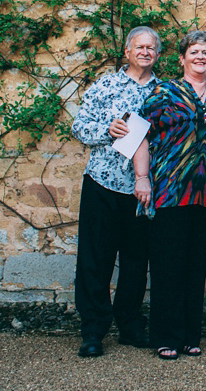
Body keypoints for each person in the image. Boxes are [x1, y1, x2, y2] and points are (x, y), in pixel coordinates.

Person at [132, 30, 206, 360]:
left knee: (195, 267)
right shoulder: (165, 92)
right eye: (194, 52)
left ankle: (189, 335)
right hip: (171, 192)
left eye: (205, 53)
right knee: (167, 266)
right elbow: (138, 134)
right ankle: (165, 336)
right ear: (182, 58)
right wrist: (142, 178)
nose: (200, 57)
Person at [71, 26, 160, 358]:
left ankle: (130, 325)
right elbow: (79, 126)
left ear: (157, 54)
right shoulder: (106, 85)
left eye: (151, 48)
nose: (145, 52)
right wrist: (106, 130)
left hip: (142, 190)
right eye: (139, 47)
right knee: (96, 259)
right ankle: (93, 329)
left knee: (137, 261)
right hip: (102, 184)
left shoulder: (163, 91)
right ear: (127, 51)